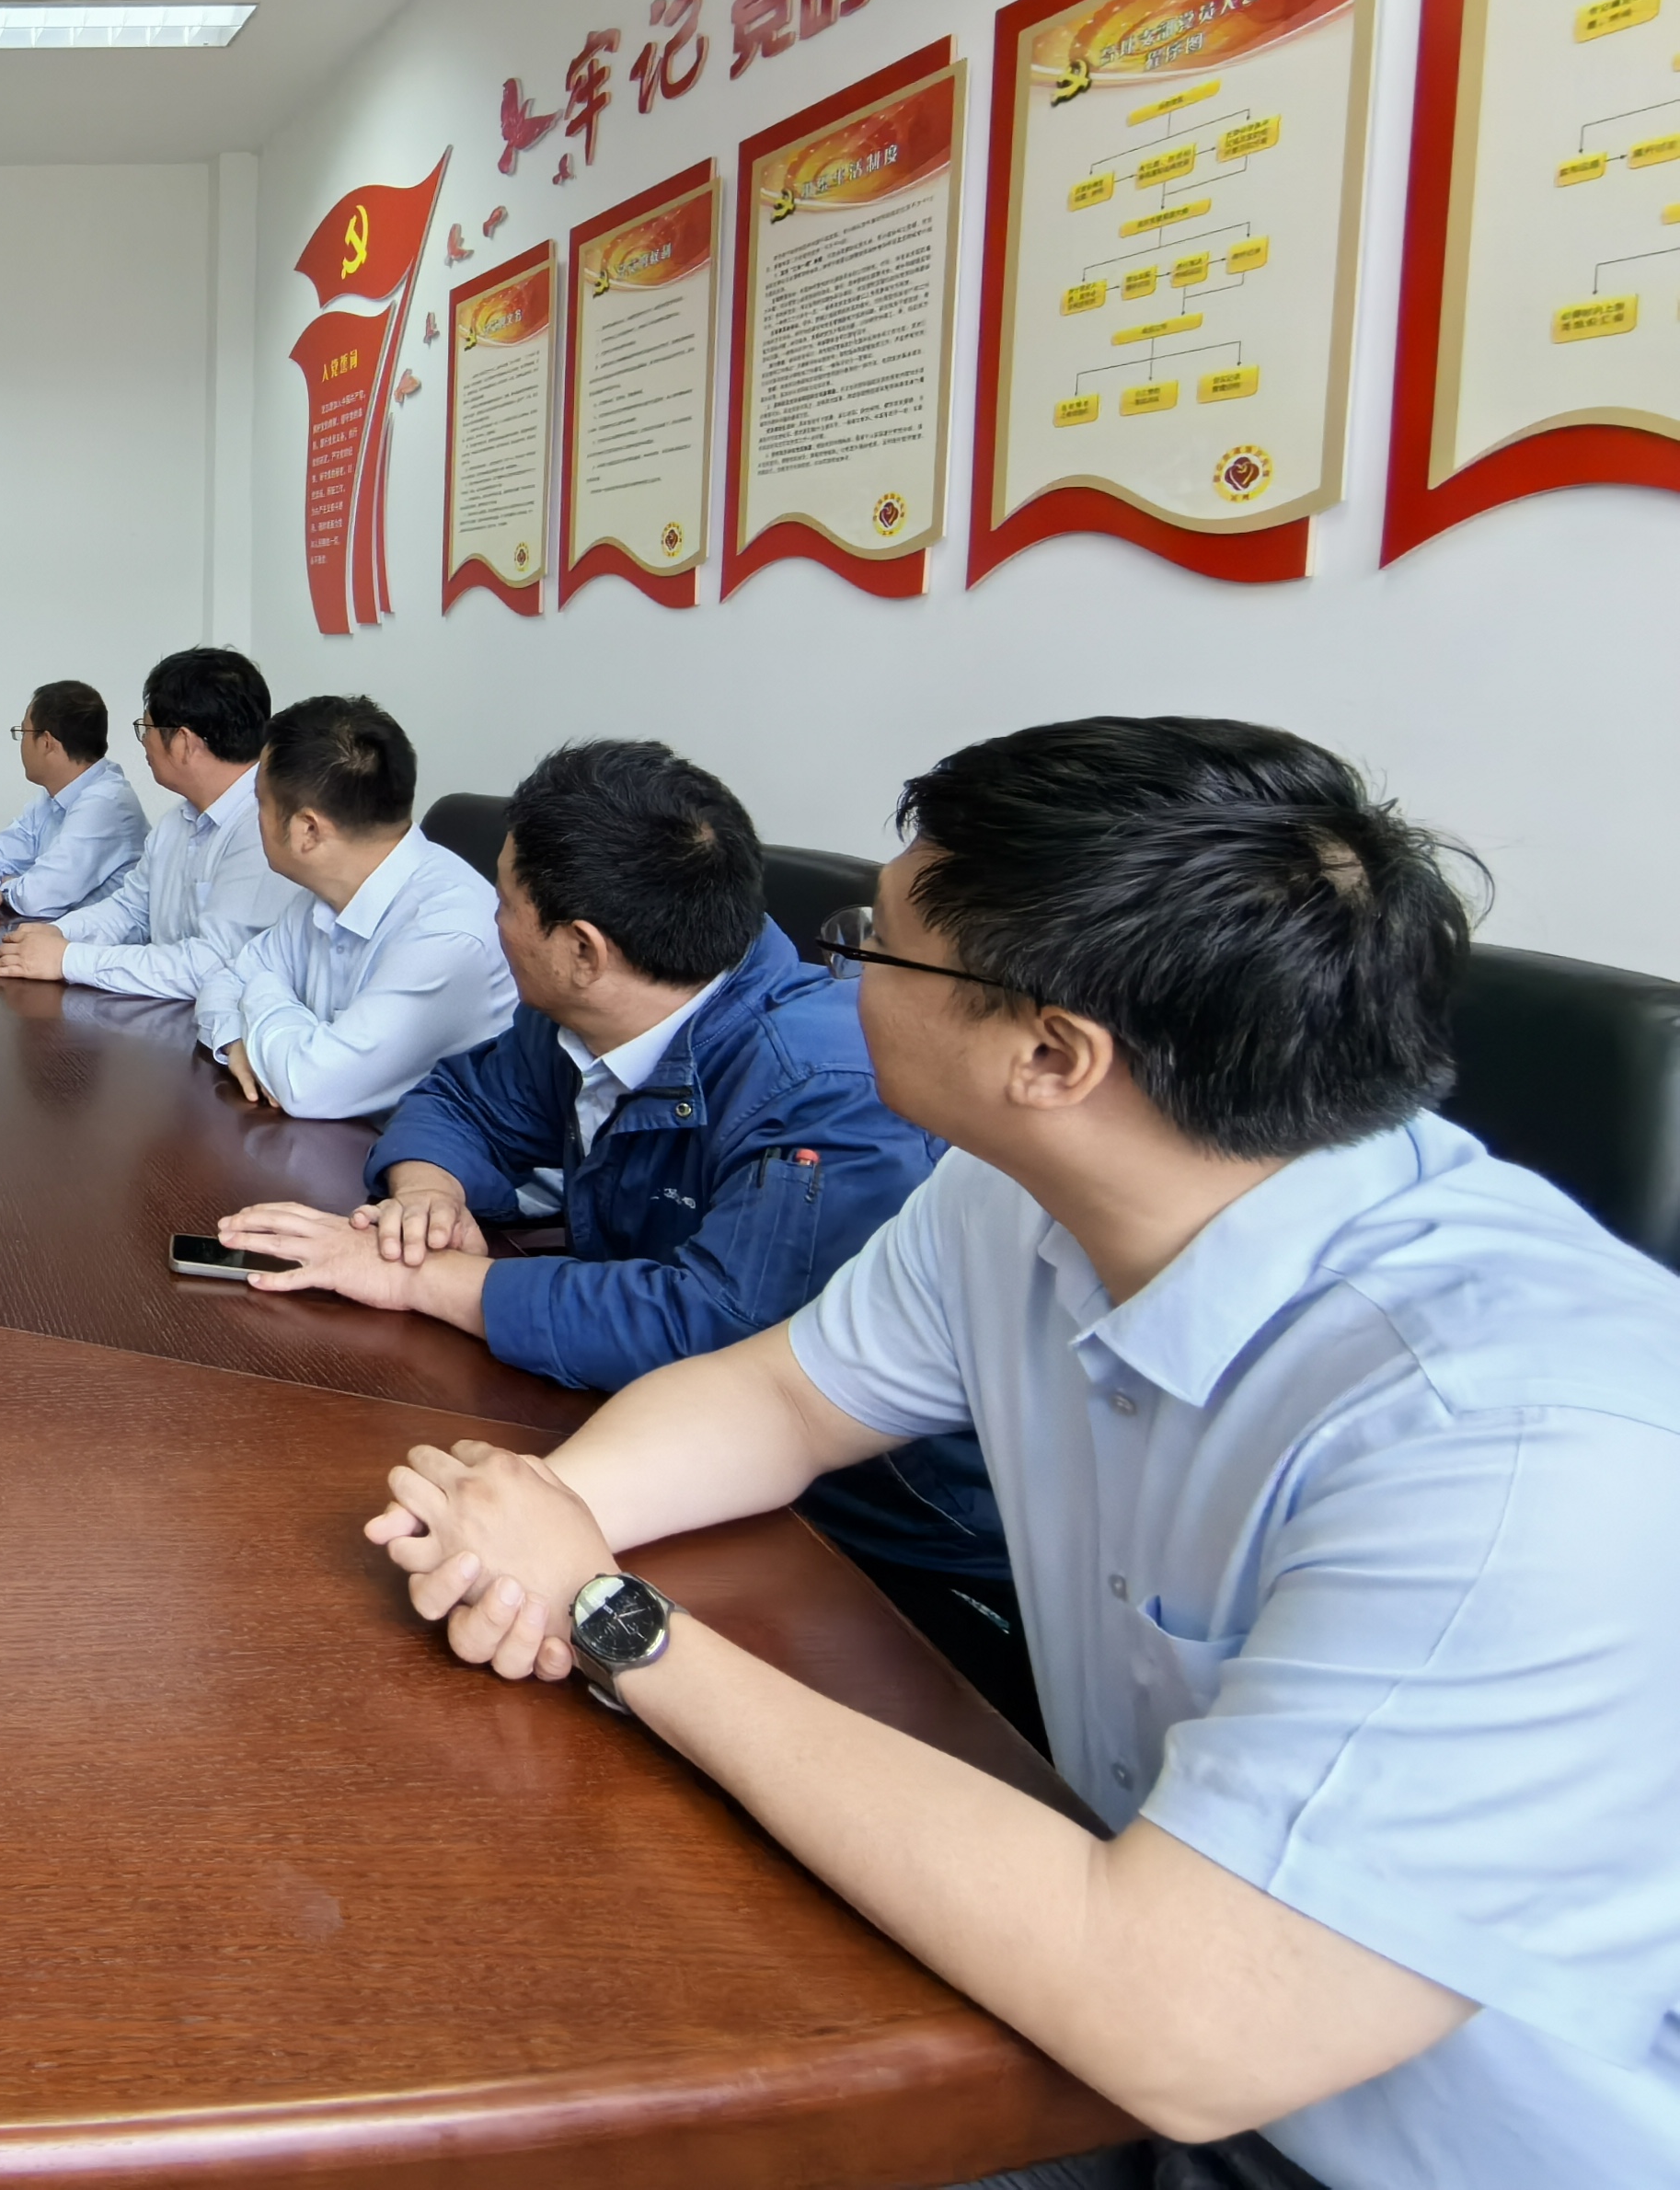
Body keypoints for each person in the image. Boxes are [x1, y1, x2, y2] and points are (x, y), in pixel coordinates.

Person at [360, 719, 1680, 2189]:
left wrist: (614, 1617)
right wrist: (532, 1518)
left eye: (873, 944)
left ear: (1051, 1054)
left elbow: (1185, 2024)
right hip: (1091, 1998)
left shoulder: (1515, 1449)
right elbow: (783, 1398)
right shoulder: (1020, 1195)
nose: (838, 974)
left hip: (1346, 2138)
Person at [213, 740, 1017, 1732]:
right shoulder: (591, 1012)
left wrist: (426, 1281)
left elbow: (715, 1328)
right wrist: (426, 1191)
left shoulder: (826, 1084)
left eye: (504, 901)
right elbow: (460, 1098)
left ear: (583, 950)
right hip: (663, 1450)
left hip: (877, 1556)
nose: (490, 919)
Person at [191, 694, 512, 1122]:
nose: (256, 818)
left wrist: (263, 989)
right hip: (334, 1139)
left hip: (415, 1157)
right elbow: (224, 979)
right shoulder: (322, 895)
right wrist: (235, 1040)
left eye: (260, 802)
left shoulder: (447, 935)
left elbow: (307, 1086)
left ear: (308, 830)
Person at [0, 645, 298, 1000]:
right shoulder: (177, 823)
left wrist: (68, 959)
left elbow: (212, 966)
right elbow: (131, 909)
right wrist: (57, 933)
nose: (145, 743)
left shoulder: (263, 828)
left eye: (146, 728)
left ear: (183, 742)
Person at [0, 679, 147, 919]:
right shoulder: (51, 797)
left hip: (97, 941)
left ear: (46, 743)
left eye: (23, 732)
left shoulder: (107, 802)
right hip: (52, 934)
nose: (21, 743)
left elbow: (37, 898)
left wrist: (2, 886)